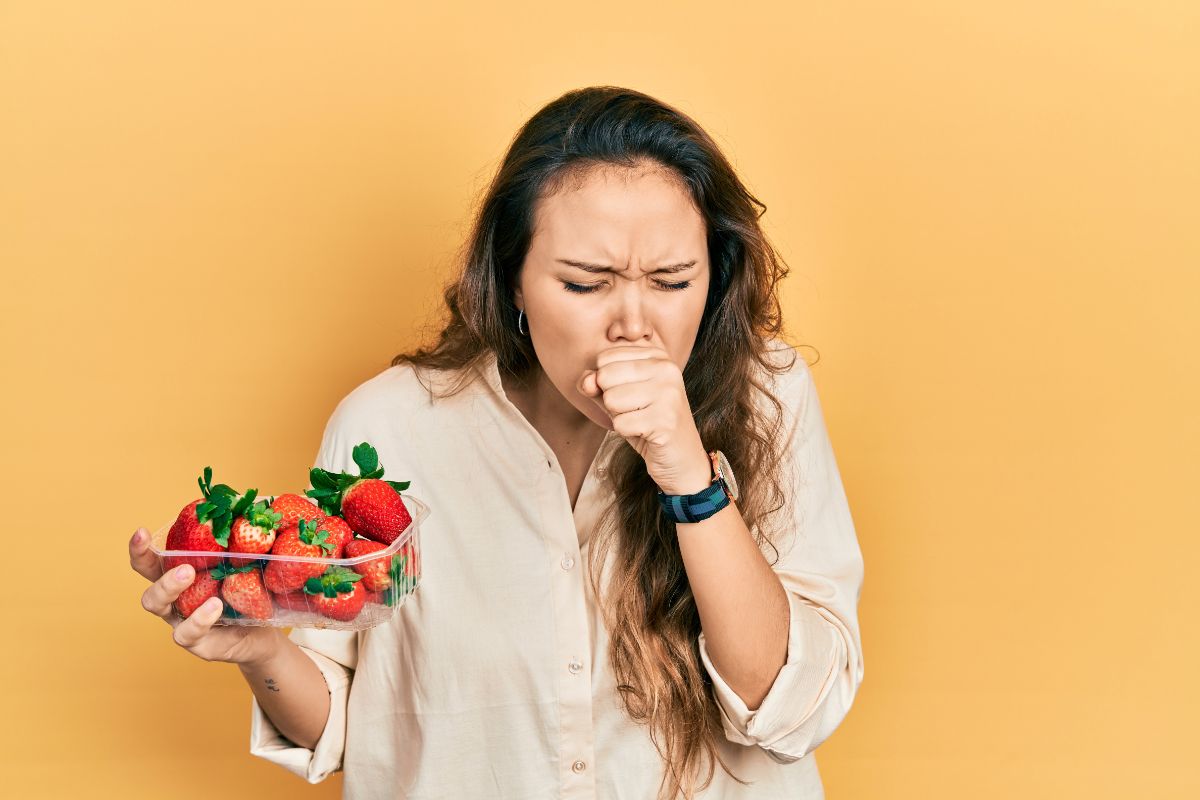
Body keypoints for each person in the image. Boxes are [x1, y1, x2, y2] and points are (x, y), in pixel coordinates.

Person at [128, 85, 864, 800]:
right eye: (584, 284)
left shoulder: (769, 395)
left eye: (673, 281)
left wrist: (689, 480)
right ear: (512, 280)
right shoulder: (389, 426)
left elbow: (792, 708)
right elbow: (360, 727)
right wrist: (263, 650)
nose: (633, 325)